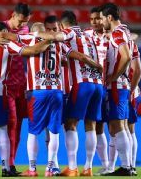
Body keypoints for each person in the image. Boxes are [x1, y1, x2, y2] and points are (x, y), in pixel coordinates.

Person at [0, 21, 53, 177]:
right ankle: (5, 168)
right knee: (1, 130)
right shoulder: (5, 44)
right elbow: (30, 51)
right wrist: (47, 41)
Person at [35, 11, 104, 177]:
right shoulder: (89, 35)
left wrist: (35, 33)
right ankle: (88, 168)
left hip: (82, 84)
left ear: (63, 25)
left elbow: (56, 38)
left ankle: (72, 167)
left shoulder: (69, 32)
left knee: (70, 124)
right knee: (91, 125)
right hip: (98, 85)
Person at [99, 3, 133, 176]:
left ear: (109, 18)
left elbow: (126, 56)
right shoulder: (126, 31)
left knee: (118, 125)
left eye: (102, 18)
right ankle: (128, 166)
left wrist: (114, 76)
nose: (101, 21)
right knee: (119, 126)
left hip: (118, 86)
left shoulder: (118, 33)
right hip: (123, 85)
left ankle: (127, 167)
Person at [3, 3, 31, 174]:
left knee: (18, 125)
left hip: (22, 85)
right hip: (6, 85)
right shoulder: (1, 29)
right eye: (20, 22)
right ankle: (7, 164)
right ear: (13, 15)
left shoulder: (27, 31)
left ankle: (11, 163)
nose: (22, 26)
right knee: (11, 123)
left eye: (25, 22)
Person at [84, 7, 112, 176]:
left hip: (104, 87)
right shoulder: (85, 35)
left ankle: (106, 164)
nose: (95, 22)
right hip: (89, 84)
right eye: (92, 19)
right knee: (91, 125)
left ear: (105, 19)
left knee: (100, 127)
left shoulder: (111, 38)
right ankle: (93, 165)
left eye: (98, 19)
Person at [127, 36, 141, 176]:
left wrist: (131, 91)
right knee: (127, 130)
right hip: (132, 92)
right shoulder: (130, 44)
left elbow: (138, 71)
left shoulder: (127, 46)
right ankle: (129, 165)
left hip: (130, 92)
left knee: (129, 130)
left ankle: (131, 165)